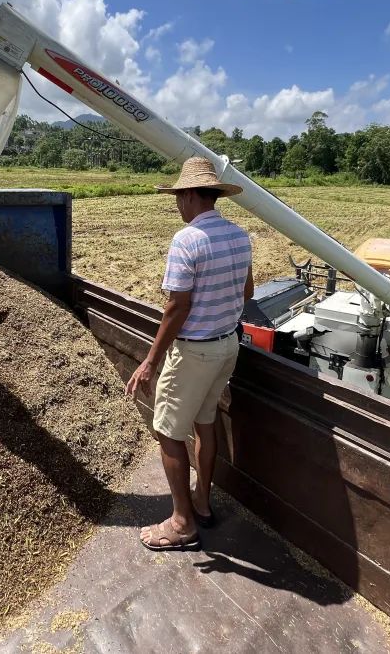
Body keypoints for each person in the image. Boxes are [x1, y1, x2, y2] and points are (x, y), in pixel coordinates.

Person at [125, 156, 253, 551]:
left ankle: (182, 523)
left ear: (192, 195)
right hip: (228, 347)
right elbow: (246, 293)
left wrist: (150, 361)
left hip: (195, 352)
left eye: (180, 196)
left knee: (167, 431)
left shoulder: (187, 240)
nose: (178, 204)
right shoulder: (239, 235)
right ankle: (201, 502)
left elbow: (176, 307)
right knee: (206, 421)